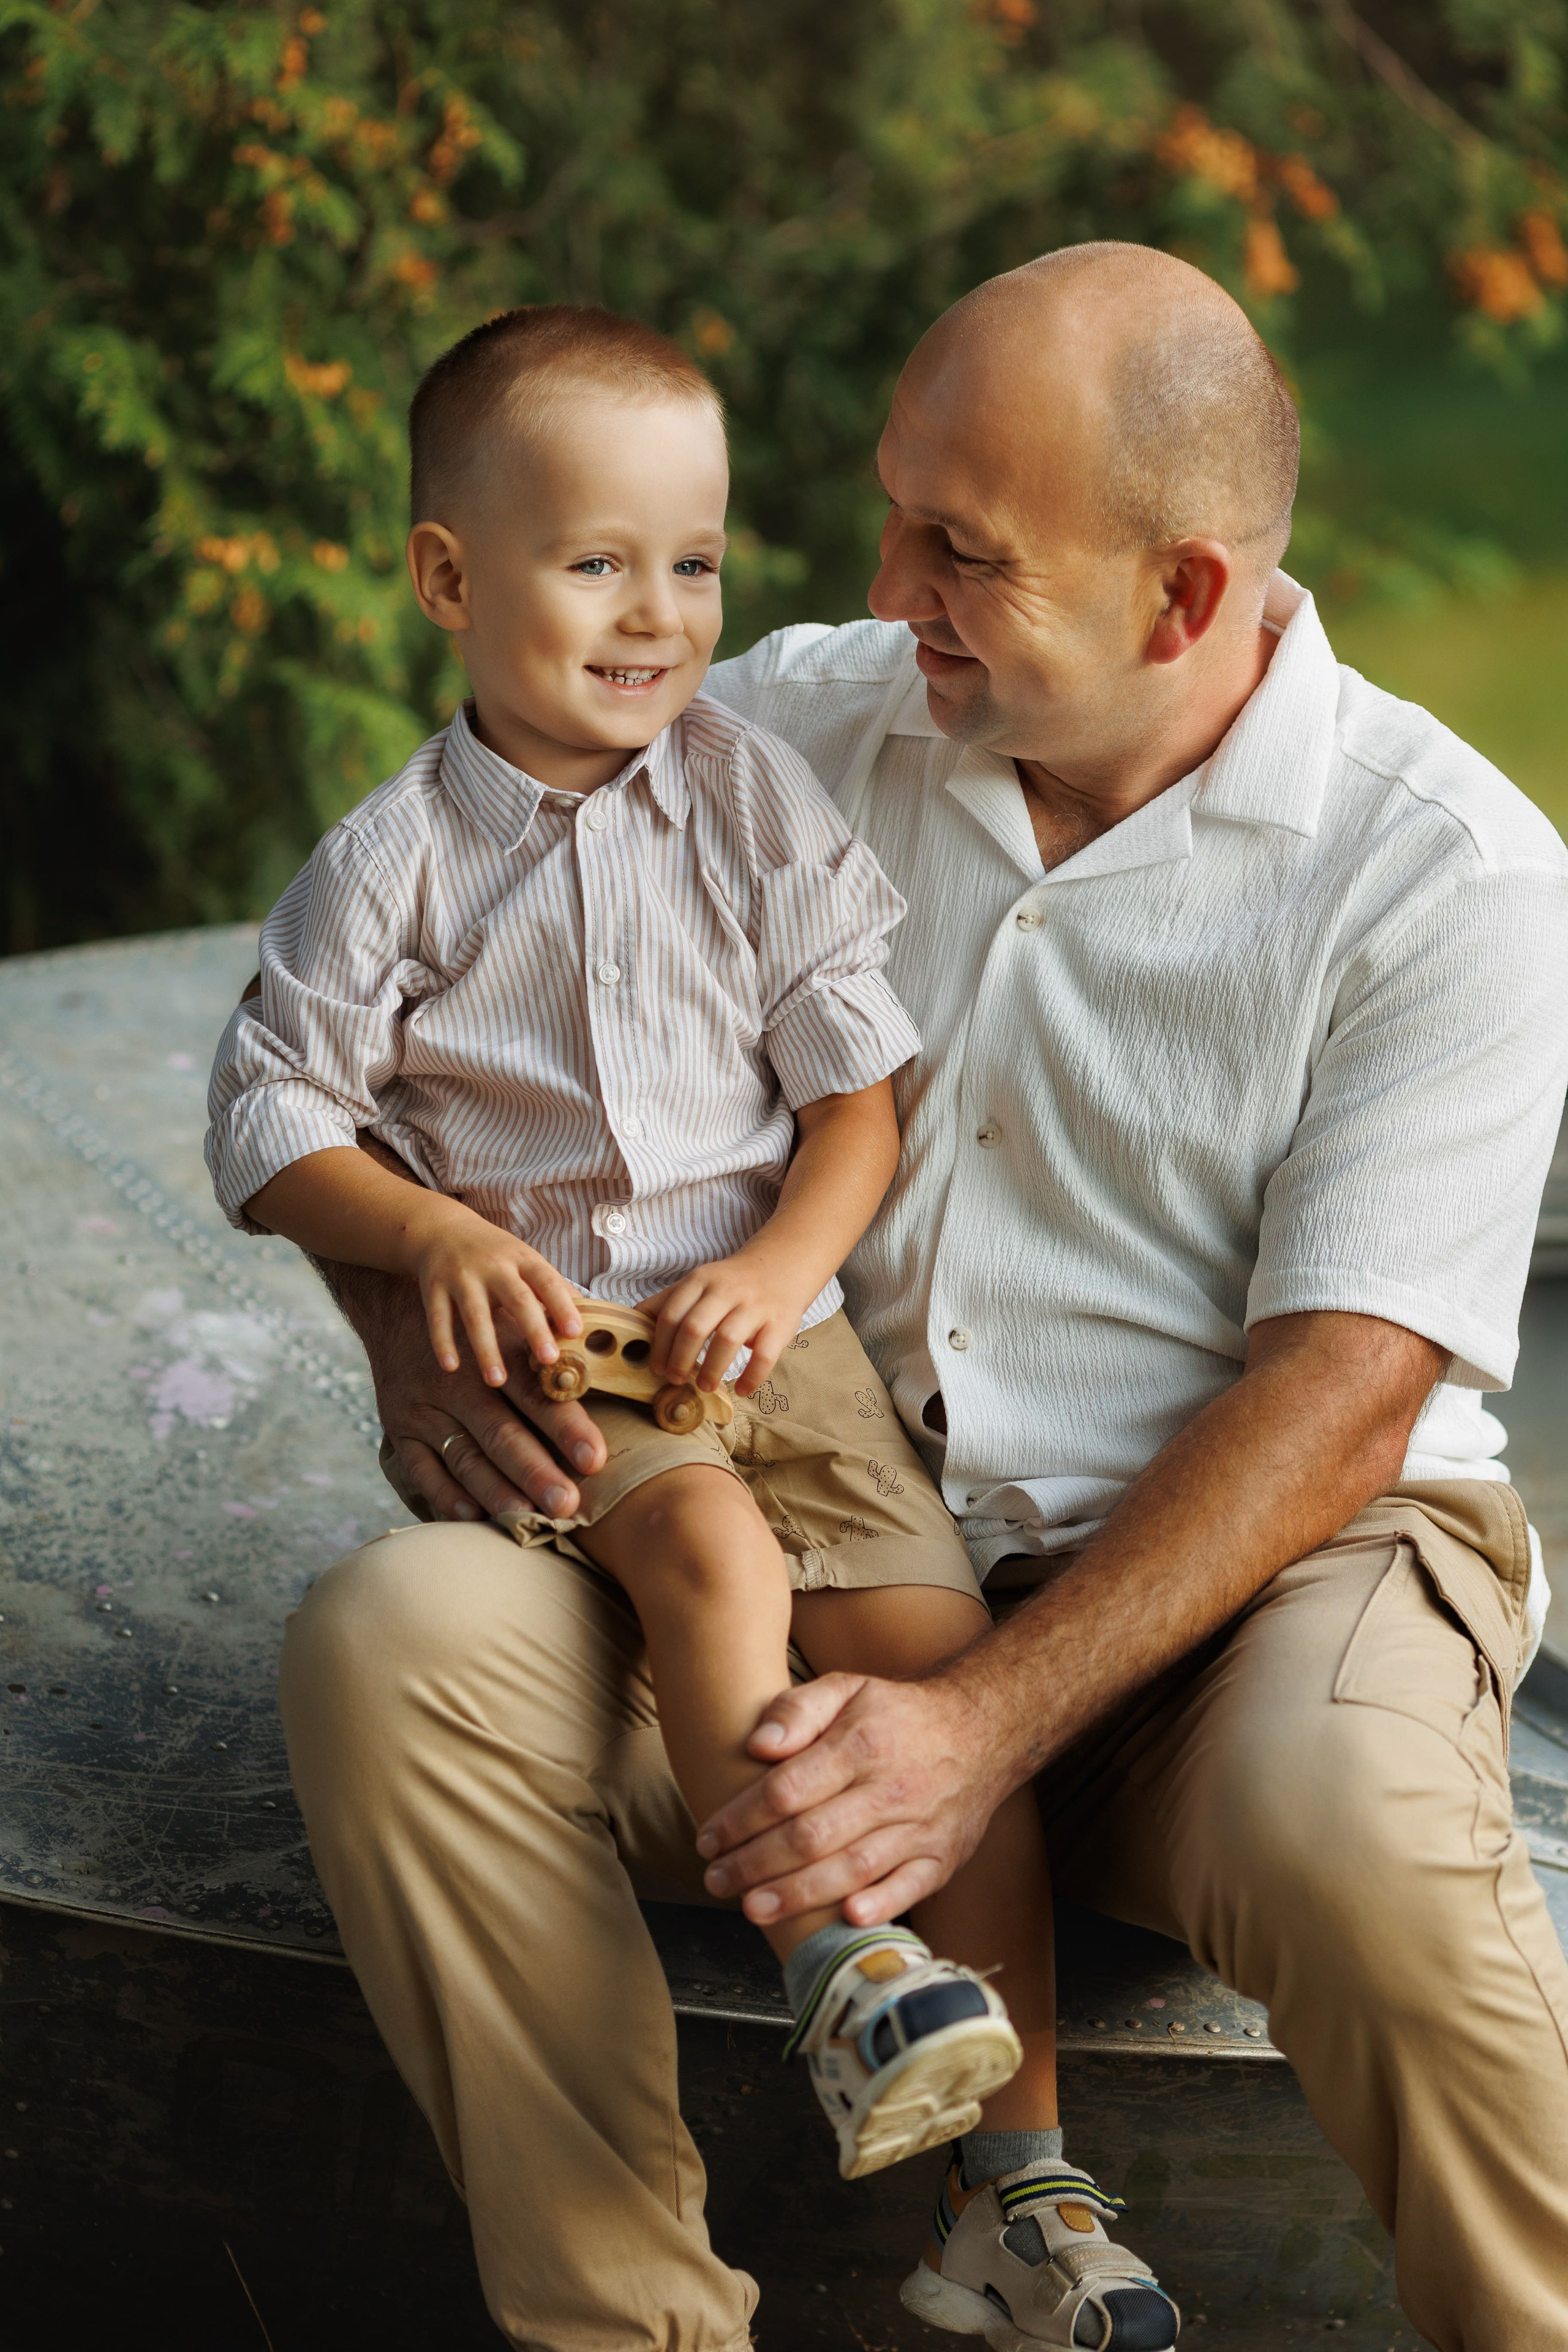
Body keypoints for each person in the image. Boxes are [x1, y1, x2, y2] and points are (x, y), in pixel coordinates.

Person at [242, 245, 1568, 2352]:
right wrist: (407, 1318)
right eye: (890, 513)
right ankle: (637, 2328)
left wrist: (978, 1733)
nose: (890, 581)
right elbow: (397, 1056)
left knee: (1366, 1846)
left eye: (964, 551)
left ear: (1186, 597)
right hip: (785, 1552)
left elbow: (1344, 1395)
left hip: (1259, 1585)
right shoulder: (771, 725)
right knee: (393, 1646)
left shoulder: (1450, 876)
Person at [205, 302, 1177, 2332]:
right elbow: (270, 1119)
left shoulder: (742, 795)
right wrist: (425, 1240)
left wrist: (789, 1264)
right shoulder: (391, 865)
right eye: (597, 564)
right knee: (705, 1539)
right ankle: (834, 1951)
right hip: (585, 1360)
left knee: (932, 1679)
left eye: (698, 563)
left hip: (770, 1334)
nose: (660, 616)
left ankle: (1023, 2191)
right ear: (449, 577)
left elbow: (856, 1100)